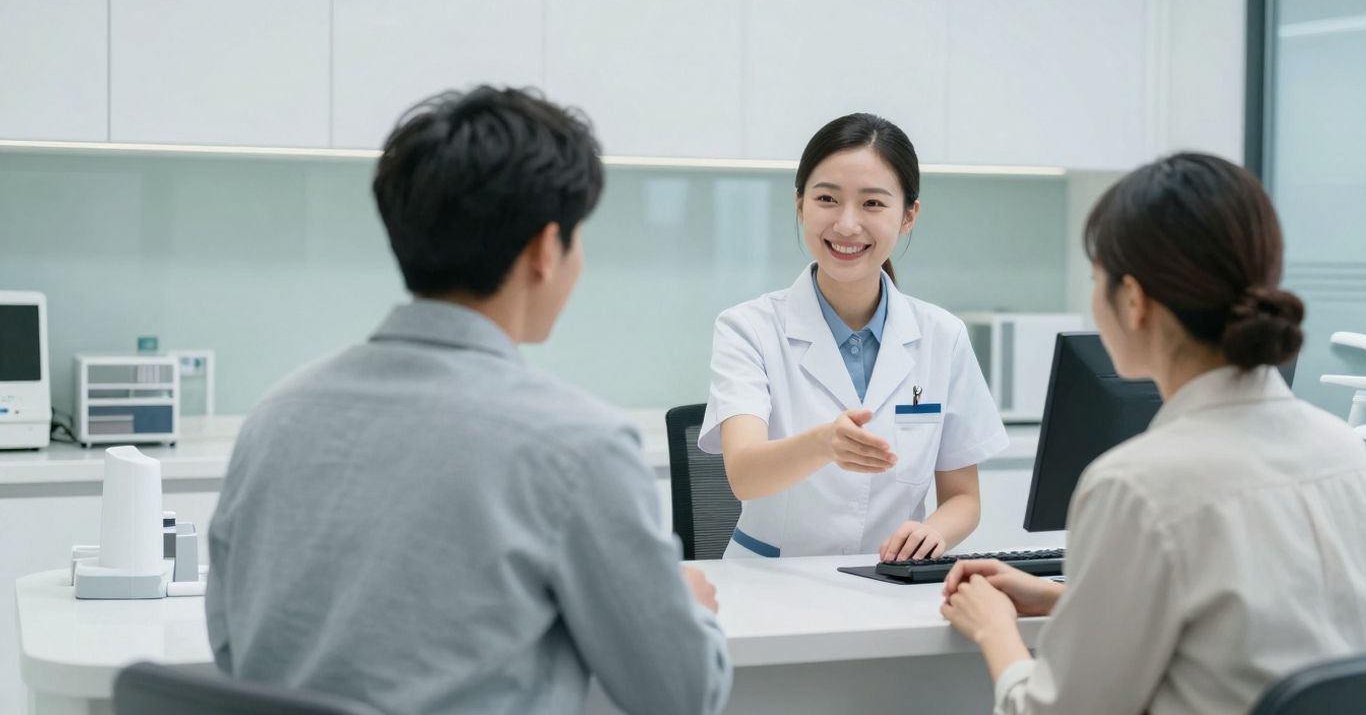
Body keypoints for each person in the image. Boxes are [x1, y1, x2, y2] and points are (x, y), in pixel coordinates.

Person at [206, 87, 732, 715]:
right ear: (545, 250)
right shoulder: (579, 445)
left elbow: (233, 649)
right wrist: (686, 610)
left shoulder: (276, 416)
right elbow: (681, 695)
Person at [940, 153, 1366, 714]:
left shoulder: (1136, 487)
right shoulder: (1348, 455)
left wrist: (993, 628)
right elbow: (1261, 634)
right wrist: (1068, 600)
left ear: (1134, 301)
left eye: (1096, 281)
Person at [699, 113, 1008, 560]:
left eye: (873, 203)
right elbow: (744, 474)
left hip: (888, 579)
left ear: (908, 216)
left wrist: (932, 533)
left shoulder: (943, 336)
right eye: (827, 198)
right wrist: (822, 444)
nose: (846, 225)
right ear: (800, 205)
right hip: (770, 581)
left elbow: (963, 497)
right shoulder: (748, 328)